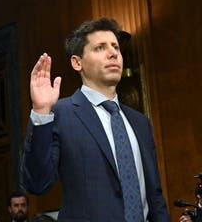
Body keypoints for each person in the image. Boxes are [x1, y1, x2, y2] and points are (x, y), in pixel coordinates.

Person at [21, 17, 169, 221]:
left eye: (115, 47)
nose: (113, 53)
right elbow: (36, 183)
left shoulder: (140, 122)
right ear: (77, 62)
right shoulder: (60, 113)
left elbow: (155, 197)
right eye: (100, 48)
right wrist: (41, 112)